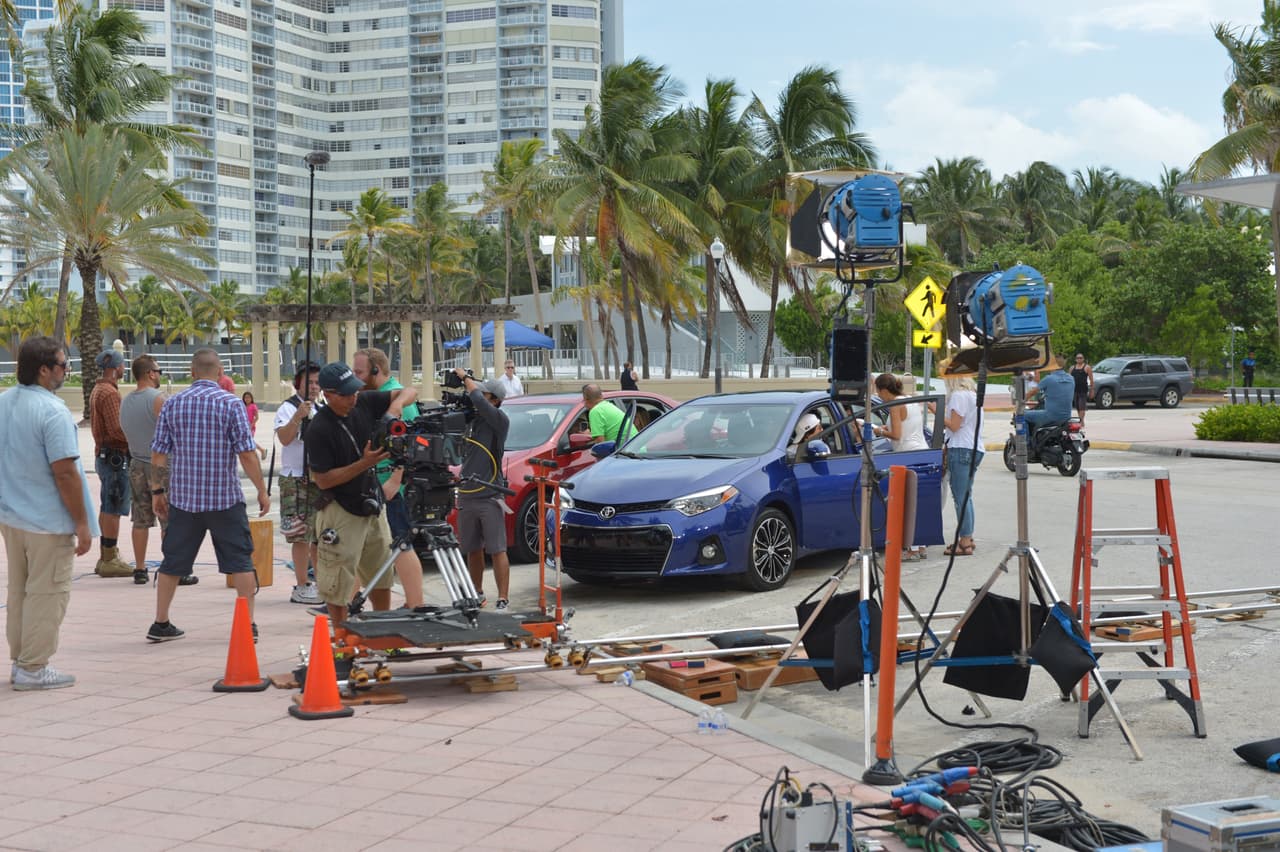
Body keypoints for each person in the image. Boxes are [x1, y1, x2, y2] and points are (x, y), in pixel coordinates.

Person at [148, 349, 270, 642]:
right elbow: (246, 453)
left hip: (184, 500)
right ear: (220, 373)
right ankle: (246, 624)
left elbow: (158, 454)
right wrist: (262, 491)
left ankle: (160, 622)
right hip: (224, 499)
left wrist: (157, 492)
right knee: (241, 560)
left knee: (172, 561)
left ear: (192, 372)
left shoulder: (172, 404)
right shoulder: (231, 404)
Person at [0, 337, 96, 690]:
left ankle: (21, 660)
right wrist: (82, 523)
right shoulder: (52, 412)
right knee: (48, 592)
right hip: (47, 521)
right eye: (62, 365)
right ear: (44, 370)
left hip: (11, 517)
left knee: (21, 592)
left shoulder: (4, 402)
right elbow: (65, 471)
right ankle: (34, 667)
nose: (66, 371)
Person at [305, 362, 417, 626]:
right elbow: (322, 480)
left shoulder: (363, 402)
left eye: (355, 391)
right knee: (338, 580)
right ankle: (342, 638)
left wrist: (394, 408)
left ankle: (382, 630)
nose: (353, 397)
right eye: (345, 394)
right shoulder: (318, 429)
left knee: (381, 574)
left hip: (372, 505)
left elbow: (410, 390)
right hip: (340, 509)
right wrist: (365, 464)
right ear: (328, 394)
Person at [352, 347, 425, 610]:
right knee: (366, 545)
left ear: (376, 371)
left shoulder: (397, 400)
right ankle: (348, 599)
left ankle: (415, 602)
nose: (355, 377)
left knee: (400, 544)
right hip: (376, 482)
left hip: (393, 486)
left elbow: (412, 441)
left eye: (359, 372)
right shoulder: (372, 397)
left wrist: (397, 480)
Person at [120, 355, 183, 586]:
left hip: (136, 462)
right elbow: (176, 429)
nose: (159, 375)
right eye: (158, 371)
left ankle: (139, 568)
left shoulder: (126, 401)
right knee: (168, 518)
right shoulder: (159, 399)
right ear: (150, 373)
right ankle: (172, 568)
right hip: (160, 466)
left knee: (140, 519)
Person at [452, 367, 511, 610]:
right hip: (467, 494)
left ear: (495, 401)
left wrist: (466, 379)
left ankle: (503, 598)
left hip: (490, 495)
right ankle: (476, 594)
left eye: (486, 395)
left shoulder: (499, 420)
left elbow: (477, 399)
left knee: (497, 549)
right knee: (472, 549)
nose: (480, 397)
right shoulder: (473, 421)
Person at [274, 362, 324, 605]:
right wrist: (298, 417)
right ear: (298, 384)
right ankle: (302, 584)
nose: (314, 387)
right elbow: (284, 438)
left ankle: (320, 582)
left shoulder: (323, 408)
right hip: (295, 478)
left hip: (318, 477)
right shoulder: (288, 407)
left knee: (318, 535)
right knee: (300, 534)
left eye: (317, 382)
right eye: (309, 383)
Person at [88, 349, 134, 579]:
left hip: (105, 456)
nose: (124, 368)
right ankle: (109, 558)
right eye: (123, 365)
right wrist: (136, 440)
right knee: (113, 507)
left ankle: (107, 554)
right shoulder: (110, 394)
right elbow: (117, 429)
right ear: (116, 368)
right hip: (115, 457)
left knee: (108, 504)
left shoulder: (99, 390)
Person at [874, 373, 929, 561]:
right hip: (922, 451)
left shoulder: (895, 405)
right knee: (918, 503)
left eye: (878, 391)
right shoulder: (910, 400)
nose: (878, 395)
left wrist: (878, 430)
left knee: (906, 503)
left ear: (883, 390)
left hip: (906, 455)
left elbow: (897, 435)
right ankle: (921, 545)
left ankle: (910, 549)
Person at [943, 374, 983, 557]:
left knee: (961, 498)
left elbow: (954, 425)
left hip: (960, 448)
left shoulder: (958, 396)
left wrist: (936, 412)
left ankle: (965, 541)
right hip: (975, 447)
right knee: (967, 495)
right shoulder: (974, 395)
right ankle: (969, 537)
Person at [1025, 355, 1075, 431]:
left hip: (1051, 416)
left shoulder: (1049, 379)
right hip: (1067, 417)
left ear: (1052, 365)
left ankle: (1025, 441)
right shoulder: (1071, 378)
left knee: (1022, 415)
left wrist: (1021, 400)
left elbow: (1032, 392)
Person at [1071, 353, 1093, 424]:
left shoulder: (1087, 367)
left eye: (1081, 358)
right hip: (1074, 389)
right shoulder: (1072, 368)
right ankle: (1080, 419)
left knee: (1082, 406)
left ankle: (1081, 421)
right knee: (1077, 406)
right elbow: (1069, 379)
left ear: (1083, 359)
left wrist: (1092, 390)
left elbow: (1091, 379)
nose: (1079, 359)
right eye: (1078, 358)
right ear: (1075, 359)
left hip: (1083, 389)